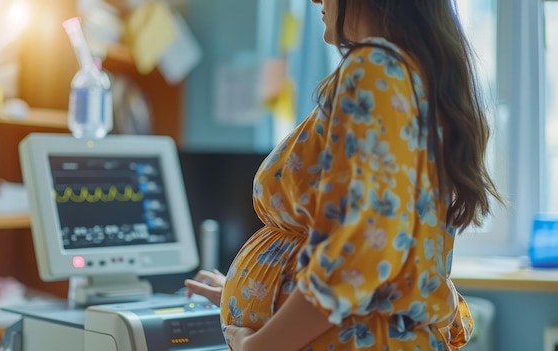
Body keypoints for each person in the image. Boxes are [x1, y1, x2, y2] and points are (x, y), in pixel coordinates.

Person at [184, 0, 503, 350]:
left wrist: (259, 345)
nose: (316, 0)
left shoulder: (376, 67)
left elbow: (363, 247)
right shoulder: (411, 77)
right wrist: (254, 294)